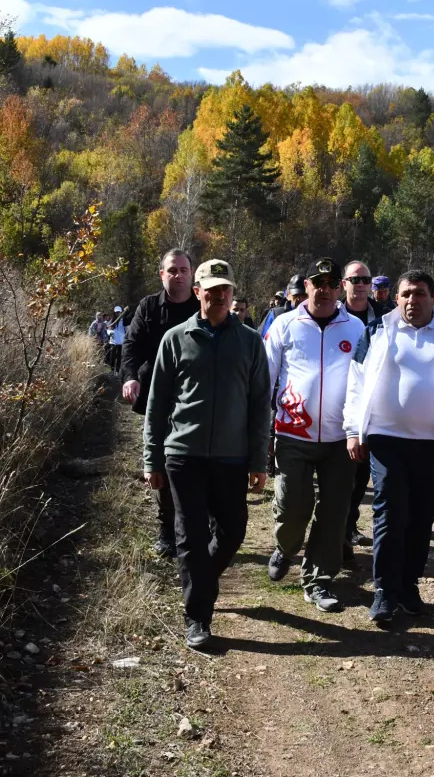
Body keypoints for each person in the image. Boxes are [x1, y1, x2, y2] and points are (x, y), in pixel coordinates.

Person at [143, 259, 272, 650]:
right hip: (184, 454)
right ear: (197, 292)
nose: (219, 296)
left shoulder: (250, 341)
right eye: (211, 289)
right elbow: (157, 404)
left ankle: (200, 582)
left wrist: (259, 461)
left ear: (233, 293)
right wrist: (151, 458)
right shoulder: (175, 339)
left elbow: (259, 405)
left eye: (225, 289)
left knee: (233, 531)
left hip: (232, 457)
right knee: (191, 534)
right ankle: (198, 616)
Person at [342, 270, 434, 626]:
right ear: (396, 298)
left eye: (419, 294)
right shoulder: (377, 330)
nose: (411, 301)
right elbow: (356, 383)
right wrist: (353, 431)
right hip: (385, 439)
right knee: (390, 513)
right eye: (405, 294)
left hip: (433, 443)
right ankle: (384, 591)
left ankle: (408, 585)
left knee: (422, 515)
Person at [264, 258, 365, 612]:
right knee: (294, 505)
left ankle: (319, 580)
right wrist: (262, 431)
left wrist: (359, 429)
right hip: (293, 434)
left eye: (331, 283)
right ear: (305, 285)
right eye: (317, 283)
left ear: (340, 288)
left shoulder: (356, 328)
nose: (324, 290)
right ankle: (286, 546)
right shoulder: (284, 325)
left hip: (340, 438)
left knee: (335, 512)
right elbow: (264, 378)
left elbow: (365, 382)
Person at [122, 249, 201, 558]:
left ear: (192, 274)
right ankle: (166, 531)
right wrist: (131, 377)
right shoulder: (149, 307)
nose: (178, 275)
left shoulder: (201, 305)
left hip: (197, 397)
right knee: (163, 463)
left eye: (183, 270)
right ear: (162, 275)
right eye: (172, 270)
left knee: (198, 463)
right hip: (159, 399)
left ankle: (201, 525)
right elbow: (131, 344)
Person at [340, 261, 383, 555]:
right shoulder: (332, 313)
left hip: (369, 408)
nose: (360, 284)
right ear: (344, 283)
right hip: (333, 404)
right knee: (337, 476)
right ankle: (335, 531)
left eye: (365, 279)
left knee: (359, 475)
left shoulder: (384, 317)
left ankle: (348, 527)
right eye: (354, 279)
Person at [106, 305, 127, 371]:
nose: (118, 314)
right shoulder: (111, 321)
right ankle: (112, 369)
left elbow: (126, 330)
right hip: (113, 342)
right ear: (114, 313)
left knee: (119, 357)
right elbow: (108, 330)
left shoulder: (123, 321)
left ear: (121, 313)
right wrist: (112, 336)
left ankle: (117, 371)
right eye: (116, 312)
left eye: (119, 312)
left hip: (121, 342)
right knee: (112, 356)